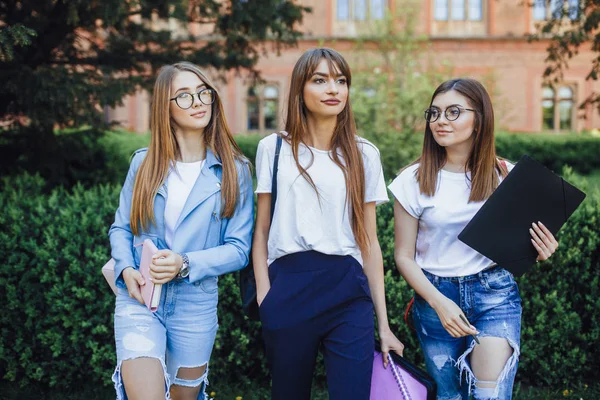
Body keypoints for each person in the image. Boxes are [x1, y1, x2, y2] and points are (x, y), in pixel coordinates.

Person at [389, 78, 559, 400]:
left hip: (494, 295)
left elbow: (520, 245)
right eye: (435, 113)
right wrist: (440, 304)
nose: (441, 120)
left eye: (454, 112)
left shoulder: (506, 176)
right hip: (434, 295)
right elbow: (403, 257)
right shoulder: (411, 180)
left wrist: (540, 250)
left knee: (489, 395)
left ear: (478, 119)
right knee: (449, 395)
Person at [252, 48, 405, 400]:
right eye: (320, 80)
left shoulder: (364, 152)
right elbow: (261, 231)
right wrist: (265, 296)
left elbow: (368, 240)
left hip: (347, 289)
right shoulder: (273, 148)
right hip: (288, 286)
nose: (333, 88)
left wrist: (383, 324)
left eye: (340, 81)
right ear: (300, 90)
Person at [109, 62, 253, 400]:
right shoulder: (143, 164)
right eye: (184, 96)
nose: (198, 101)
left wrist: (184, 263)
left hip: (196, 304)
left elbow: (239, 248)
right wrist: (125, 267)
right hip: (140, 298)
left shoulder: (235, 171)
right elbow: (121, 227)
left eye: (203, 92)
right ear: (165, 108)